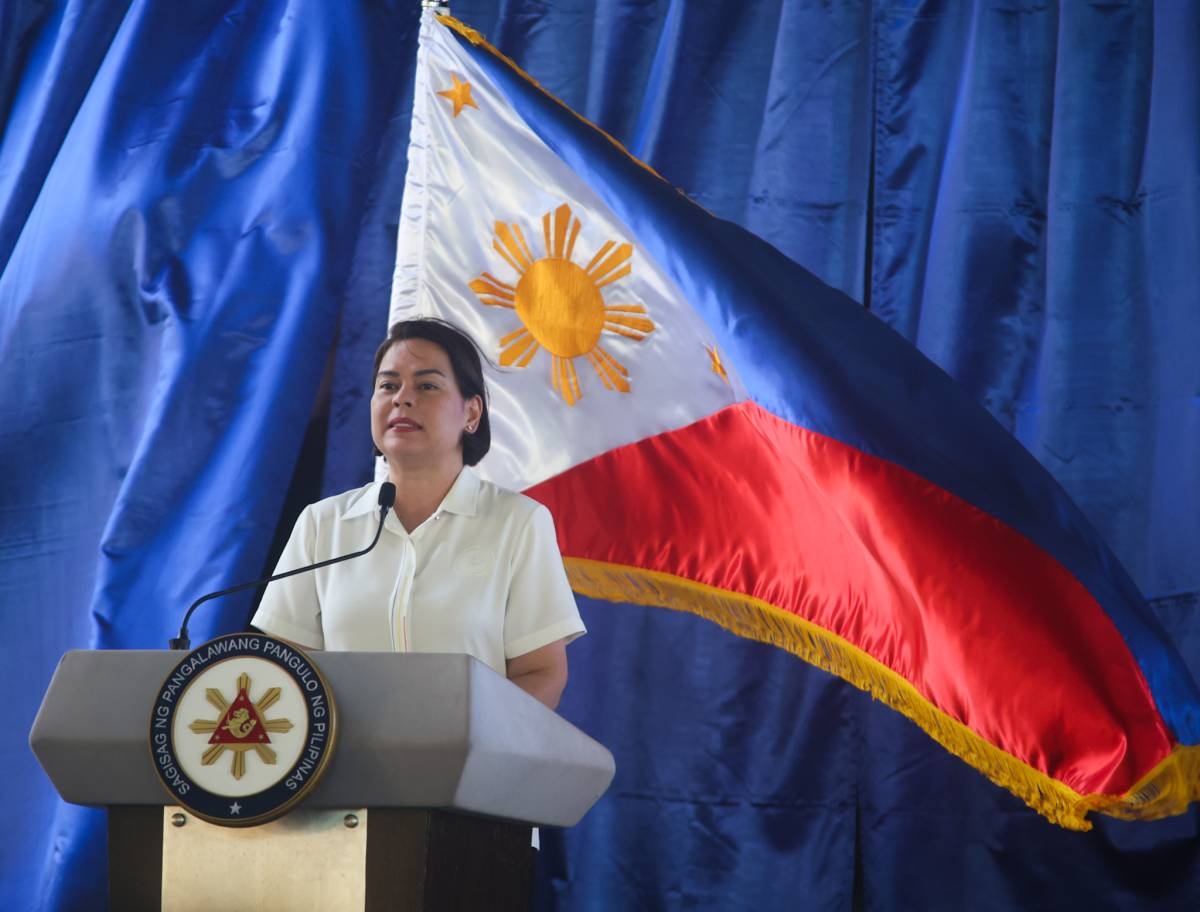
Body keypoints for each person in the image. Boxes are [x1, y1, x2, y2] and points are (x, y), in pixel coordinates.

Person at [251, 318, 585, 710]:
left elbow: (541, 673)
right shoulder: (322, 525)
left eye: (426, 386)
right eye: (388, 386)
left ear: (471, 413)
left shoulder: (518, 523)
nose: (402, 398)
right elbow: (284, 674)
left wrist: (470, 744)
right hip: (346, 765)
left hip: (471, 766)